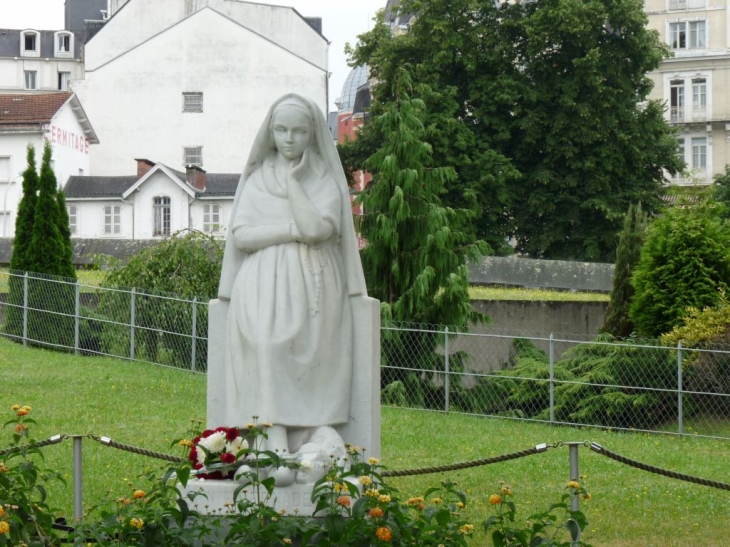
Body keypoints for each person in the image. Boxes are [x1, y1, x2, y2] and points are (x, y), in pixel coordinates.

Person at [217, 94, 367, 481]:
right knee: (265, 347)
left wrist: (295, 184)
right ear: (271, 132)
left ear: (312, 133)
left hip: (312, 287)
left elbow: (319, 230)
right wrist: (288, 231)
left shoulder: (321, 179)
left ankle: (300, 443)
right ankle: (274, 445)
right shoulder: (258, 178)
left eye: (298, 131)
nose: (289, 139)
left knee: (294, 353)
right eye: (281, 130)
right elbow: (243, 234)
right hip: (260, 284)